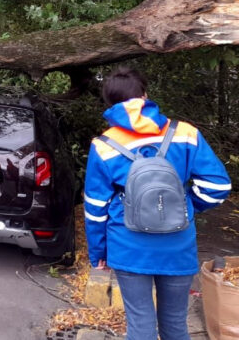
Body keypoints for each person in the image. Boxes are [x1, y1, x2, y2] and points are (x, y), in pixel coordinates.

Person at [84, 67, 232, 340]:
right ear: (145, 95)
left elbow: (95, 207)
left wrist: (98, 252)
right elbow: (218, 186)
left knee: (140, 326)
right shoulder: (185, 133)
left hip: (128, 246)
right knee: (176, 325)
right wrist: (186, 207)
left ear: (110, 104)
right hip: (178, 245)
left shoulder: (103, 145)